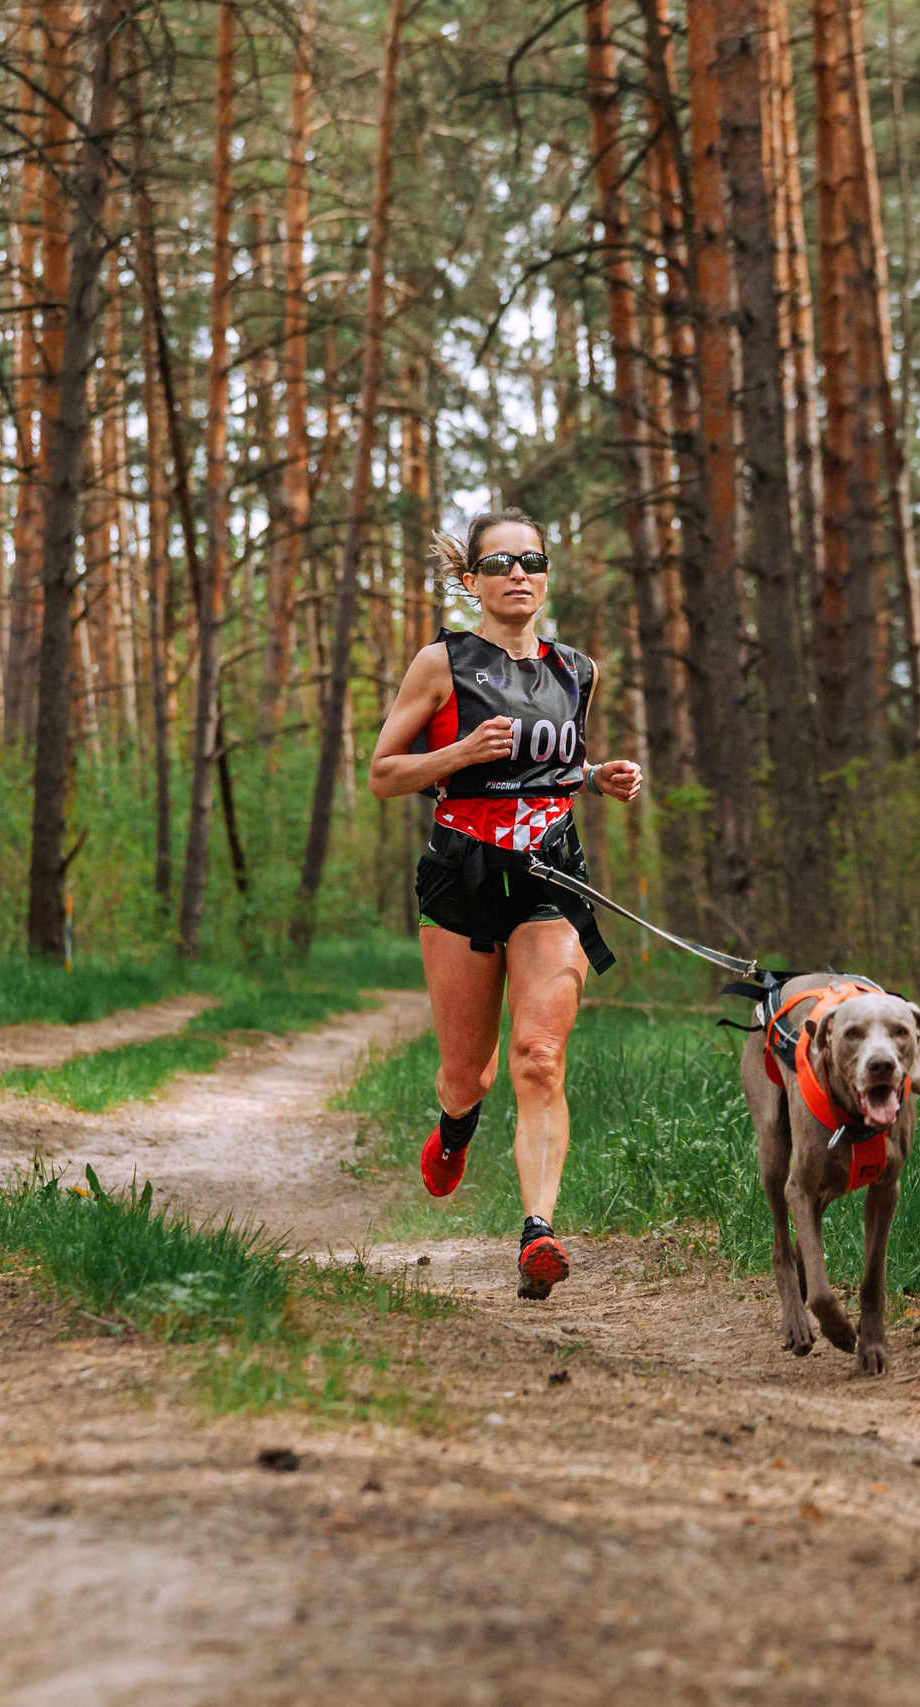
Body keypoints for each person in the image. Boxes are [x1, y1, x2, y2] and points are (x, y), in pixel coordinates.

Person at [368, 511, 644, 1299]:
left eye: (533, 560)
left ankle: (538, 1232)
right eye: (500, 562)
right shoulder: (440, 662)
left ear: (547, 575)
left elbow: (553, 767)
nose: (519, 572)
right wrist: (458, 753)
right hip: (462, 873)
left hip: (551, 875)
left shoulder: (576, 670)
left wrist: (598, 778)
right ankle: (456, 1125)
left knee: (539, 1056)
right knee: (468, 1073)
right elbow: (384, 773)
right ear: (471, 581)